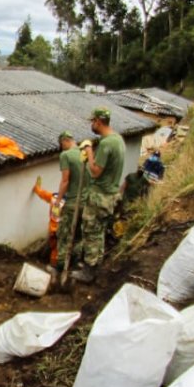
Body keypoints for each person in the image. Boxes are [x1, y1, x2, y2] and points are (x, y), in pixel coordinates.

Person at [71, 107, 125, 282]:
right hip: (110, 195)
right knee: (99, 232)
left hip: (99, 196)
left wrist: (89, 152)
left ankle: (89, 271)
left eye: (92, 122)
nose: (91, 125)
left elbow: (95, 172)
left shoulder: (106, 144)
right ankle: (94, 265)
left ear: (99, 122)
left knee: (91, 232)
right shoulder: (118, 140)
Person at [52, 130, 85, 273]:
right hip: (86, 202)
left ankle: (60, 267)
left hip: (73, 202)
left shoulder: (66, 155)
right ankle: (75, 264)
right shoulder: (84, 153)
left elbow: (65, 180)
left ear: (65, 141)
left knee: (64, 233)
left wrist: (58, 200)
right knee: (78, 234)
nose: (62, 148)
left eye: (61, 145)